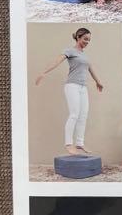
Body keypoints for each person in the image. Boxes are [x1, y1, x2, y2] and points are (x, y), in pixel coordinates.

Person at [34, 27, 105, 156]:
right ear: (78, 37)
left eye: (89, 40)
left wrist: (98, 81)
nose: (87, 42)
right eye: (85, 39)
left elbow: (90, 69)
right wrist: (44, 72)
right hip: (72, 86)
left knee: (83, 115)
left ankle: (79, 143)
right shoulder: (70, 51)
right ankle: (68, 144)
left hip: (83, 87)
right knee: (74, 114)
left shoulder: (84, 55)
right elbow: (57, 61)